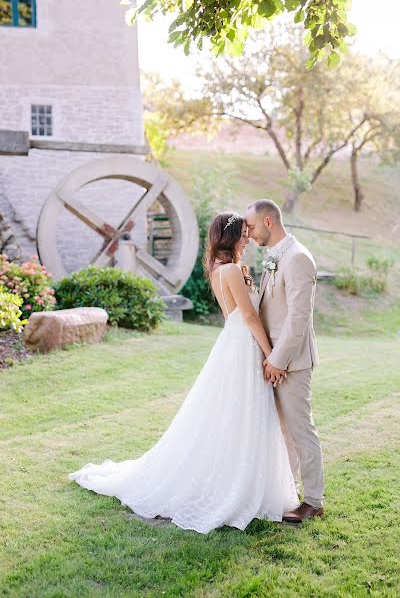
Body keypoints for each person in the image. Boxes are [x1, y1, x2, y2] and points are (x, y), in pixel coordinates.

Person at [68, 211, 299, 534]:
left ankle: (243, 478)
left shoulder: (220, 268)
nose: (249, 239)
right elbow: (247, 316)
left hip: (233, 343)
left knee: (236, 412)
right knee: (241, 411)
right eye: (244, 234)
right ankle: (236, 484)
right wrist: (271, 353)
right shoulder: (231, 269)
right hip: (243, 344)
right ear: (233, 237)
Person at [246, 199, 325, 522]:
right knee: (282, 431)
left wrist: (277, 360)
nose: (247, 233)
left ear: (268, 222)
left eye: (250, 226)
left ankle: (314, 500)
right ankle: (287, 493)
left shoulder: (298, 259)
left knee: (300, 428)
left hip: (292, 360)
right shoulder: (274, 257)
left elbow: (298, 319)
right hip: (273, 358)